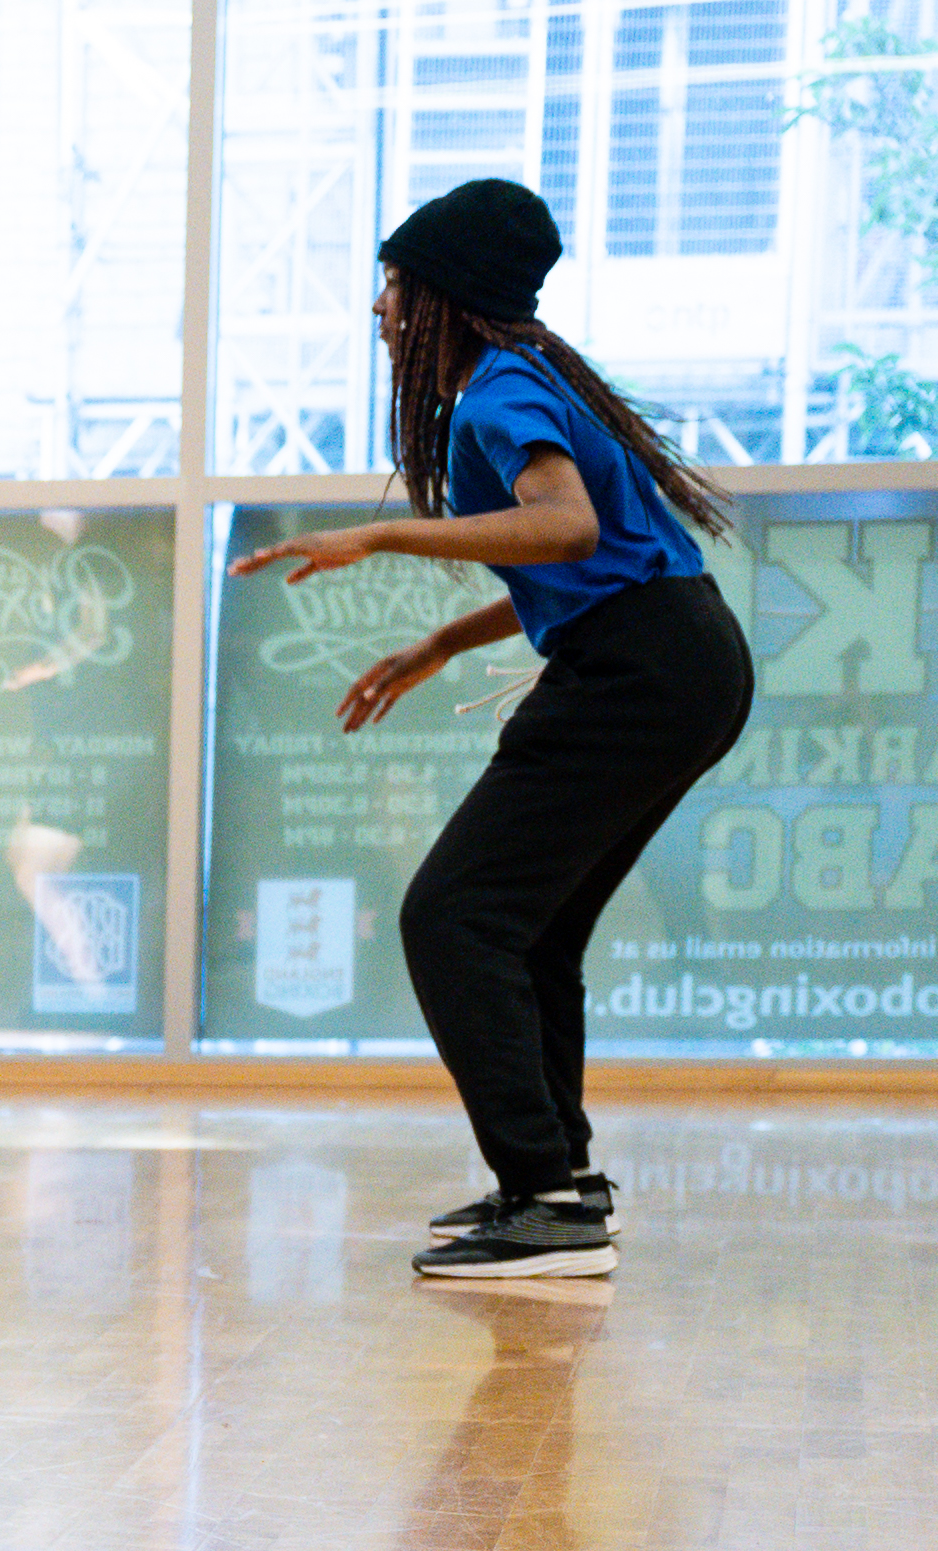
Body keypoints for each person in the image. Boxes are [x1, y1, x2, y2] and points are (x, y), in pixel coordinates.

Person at [228, 179, 752, 1284]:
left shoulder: (496, 391)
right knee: (530, 926)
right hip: (682, 657)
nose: (380, 308)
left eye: (395, 285)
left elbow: (563, 525)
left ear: (446, 297)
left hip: (643, 669)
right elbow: (589, 554)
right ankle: (559, 1182)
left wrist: (378, 537)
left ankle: (547, 1199)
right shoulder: (534, 375)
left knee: (452, 914)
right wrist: (444, 646)